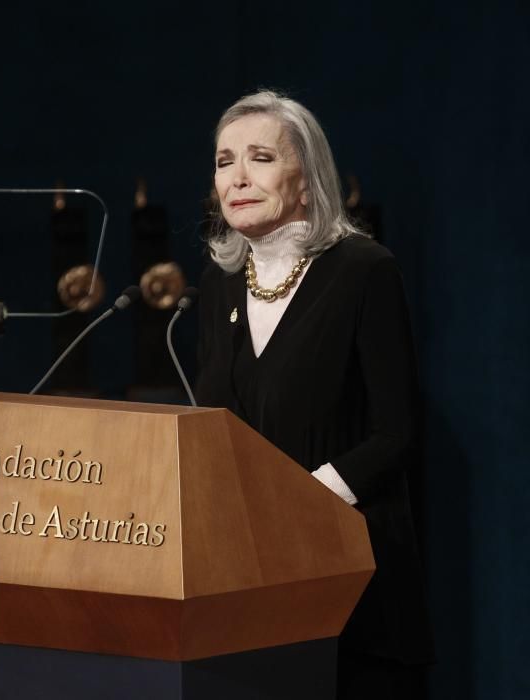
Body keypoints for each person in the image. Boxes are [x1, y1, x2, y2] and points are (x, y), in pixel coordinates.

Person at [195, 90, 434, 699]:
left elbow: (398, 432)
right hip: (248, 593)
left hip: (354, 593)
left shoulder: (363, 271)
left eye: (260, 158)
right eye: (225, 162)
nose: (238, 178)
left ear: (307, 180)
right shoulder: (218, 286)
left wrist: (301, 504)